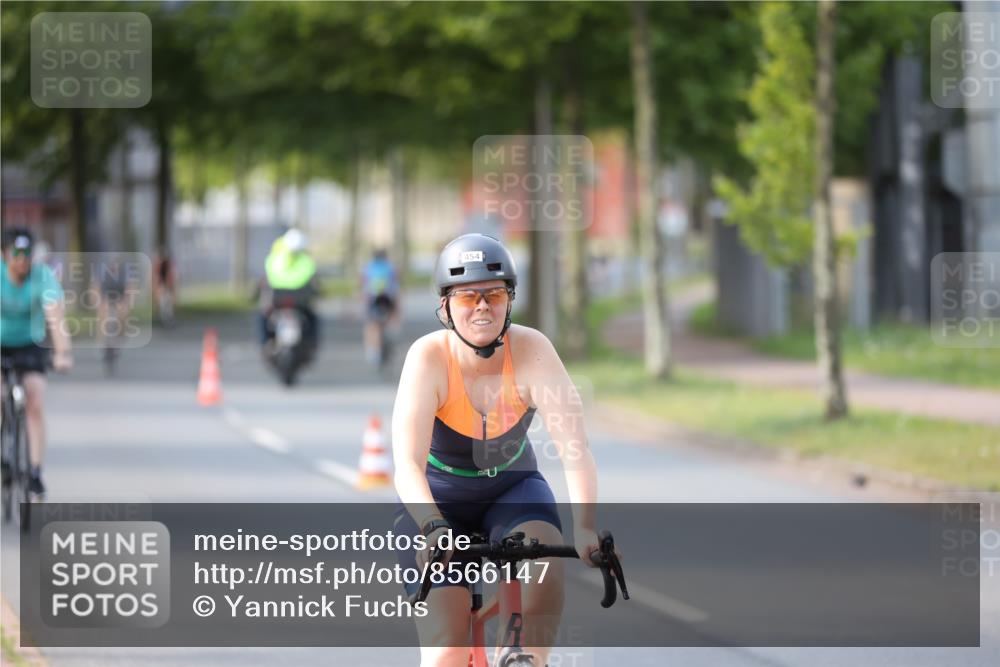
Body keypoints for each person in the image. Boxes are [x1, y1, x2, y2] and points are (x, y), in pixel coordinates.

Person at [392, 233, 601, 667]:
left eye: (494, 295)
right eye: (468, 297)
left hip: (514, 489)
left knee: (543, 560)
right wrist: (431, 526)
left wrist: (585, 527)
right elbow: (407, 464)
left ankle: (526, 659)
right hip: (438, 501)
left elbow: (574, 449)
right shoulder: (427, 357)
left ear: (509, 301)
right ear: (446, 307)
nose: (483, 306)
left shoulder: (534, 351)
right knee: (446, 649)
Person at [0, 228, 73, 497]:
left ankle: (34, 471)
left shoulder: (42, 277)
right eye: (15, 255)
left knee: (35, 400)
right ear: (4, 256)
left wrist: (62, 352)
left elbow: (55, 317)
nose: (22, 261)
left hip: (30, 344)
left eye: (26, 255)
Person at [258, 228, 319, 353]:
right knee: (313, 318)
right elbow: (312, 279)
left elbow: (267, 277)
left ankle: (264, 342)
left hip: (278, 297)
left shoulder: (274, 257)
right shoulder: (304, 259)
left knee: (262, 317)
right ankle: (312, 343)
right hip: (299, 299)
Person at [360, 248, 399, 364]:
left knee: (371, 325)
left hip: (373, 299)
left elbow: (364, 286)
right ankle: (391, 334)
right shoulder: (390, 267)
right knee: (389, 319)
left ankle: (373, 351)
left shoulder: (368, 267)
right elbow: (396, 286)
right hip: (388, 298)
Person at [152, 247, 177, 326]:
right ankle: (164, 318)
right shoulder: (158, 266)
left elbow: (172, 279)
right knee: (163, 302)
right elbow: (156, 278)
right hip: (162, 286)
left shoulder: (169, 266)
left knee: (167, 303)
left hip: (168, 286)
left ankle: (168, 318)